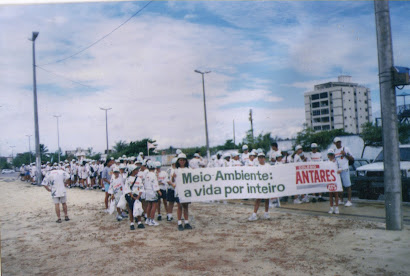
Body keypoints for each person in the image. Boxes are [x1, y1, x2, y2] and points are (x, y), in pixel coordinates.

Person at [171, 153, 192, 230]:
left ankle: (186, 222)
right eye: (180, 160)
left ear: (185, 161)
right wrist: (173, 177)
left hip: (186, 191)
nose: (182, 161)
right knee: (179, 206)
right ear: (178, 161)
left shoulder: (189, 169)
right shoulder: (176, 170)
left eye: (183, 160)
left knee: (186, 206)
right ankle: (179, 223)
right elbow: (173, 181)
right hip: (178, 191)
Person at [248, 152, 271, 221]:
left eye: (262, 157)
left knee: (267, 199)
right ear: (258, 159)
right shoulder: (256, 166)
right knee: (258, 199)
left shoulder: (268, 165)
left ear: (264, 158)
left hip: (266, 184)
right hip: (260, 185)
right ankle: (254, 214)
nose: (261, 159)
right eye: (260, 157)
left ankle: (266, 213)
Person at [333, 137, 354, 207]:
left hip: (345, 169)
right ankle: (341, 200)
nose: (338, 143)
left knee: (348, 185)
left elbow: (352, 158)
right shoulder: (335, 151)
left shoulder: (345, 149)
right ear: (334, 143)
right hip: (338, 171)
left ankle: (349, 200)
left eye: (339, 142)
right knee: (339, 186)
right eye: (337, 142)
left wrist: (345, 154)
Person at [123, 165, 145, 230]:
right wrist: (132, 196)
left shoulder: (139, 179)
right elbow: (127, 188)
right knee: (131, 209)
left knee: (138, 208)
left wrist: (139, 196)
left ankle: (139, 222)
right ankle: (132, 223)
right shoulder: (128, 179)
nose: (137, 171)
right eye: (136, 170)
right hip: (131, 196)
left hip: (137, 195)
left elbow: (141, 187)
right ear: (132, 171)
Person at [144, 161, 161, 226]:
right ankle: (152, 220)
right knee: (154, 205)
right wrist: (158, 191)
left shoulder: (147, 174)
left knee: (149, 205)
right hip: (152, 191)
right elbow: (155, 184)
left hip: (147, 191)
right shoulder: (153, 175)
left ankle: (148, 219)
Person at [327, 149, 340, 214]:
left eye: (332, 155)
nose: (331, 156)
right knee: (330, 195)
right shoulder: (326, 162)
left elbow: (340, 168)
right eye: (330, 155)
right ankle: (331, 208)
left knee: (336, 194)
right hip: (329, 180)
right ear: (328, 155)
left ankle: (337, 208)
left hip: (336, 180)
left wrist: (339, 170)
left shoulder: (336, 161)